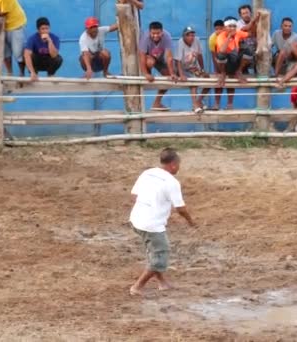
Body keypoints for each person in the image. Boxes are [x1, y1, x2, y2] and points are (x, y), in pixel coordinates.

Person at [129, 148, 196, 297]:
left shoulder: (147, 173)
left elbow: (134, 195)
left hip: (136, 219)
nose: (179, 167)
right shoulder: (172, 182)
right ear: (173, 164)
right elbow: (180, 209)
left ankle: (162, 282)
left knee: (154, 250)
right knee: (160, 256)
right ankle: (137, 286)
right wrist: (191, 222)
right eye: (178, 164)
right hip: (152, 225)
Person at [215, 15, 259, 109]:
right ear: (225, 28)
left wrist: (254, 21)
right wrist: (229, 37)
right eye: (229, 26)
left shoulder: (238, 33)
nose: (232, 28)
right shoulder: (221, 36)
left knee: (249, 50)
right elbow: (222, 50)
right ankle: (223, 73)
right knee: (221, 55)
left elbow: (251, 34)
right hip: (224, 65)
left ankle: (238, 71)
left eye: (234, 26)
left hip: (234, 63)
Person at [139, 21, 176, 111]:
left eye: (158, 33)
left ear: (162, 32)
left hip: (160, 59)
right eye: (153, 33)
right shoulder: (145, 37)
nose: (155, 35)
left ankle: (157, 102)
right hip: (149, 58)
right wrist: (146, 74)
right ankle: (147, 73)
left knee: (168, 77)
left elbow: (169, 56)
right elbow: (141, 56)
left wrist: (172, 73)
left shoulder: (167, 36)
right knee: (150, 62)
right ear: (149, 32)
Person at [175, 25, 211, 114]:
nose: (191, 37)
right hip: (183, 68)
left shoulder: (197, 40)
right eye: (188, 35)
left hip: (194, 68)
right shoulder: (180, 42)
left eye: (192, 35)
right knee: (193, 82)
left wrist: (202, 70)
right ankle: (195, 105)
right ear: (184, 36)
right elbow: (177, 61)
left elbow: (199, 56)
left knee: (209, 81)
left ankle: (198, 101)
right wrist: (181, 74)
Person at [24, 17, 63, 81]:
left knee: (58, 58)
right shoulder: (32, 38)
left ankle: (51, 74)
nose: (45, 31)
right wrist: (32, 72)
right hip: (37, 61)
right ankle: (34, 73)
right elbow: (26, 55)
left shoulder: (55, 38)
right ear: (38, 30)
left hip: (48, 61)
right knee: (28, 55)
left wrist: (50, 41)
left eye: (47, 28)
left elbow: (54, 55)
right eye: (42, 29)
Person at [0, 0, 26, 76]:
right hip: (1, 26)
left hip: (15, 25)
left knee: (18, 52)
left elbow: (2, 13)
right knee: (5, 52)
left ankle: (21, 73)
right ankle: (10, 73)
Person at [272, 17, 297, 88]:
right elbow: (270, 46)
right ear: (281, 26)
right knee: (282, 52)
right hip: (278, 59)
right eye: (285, 26)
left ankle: (281, 82)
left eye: (290, 26)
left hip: (290, 60)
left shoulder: (296, 37)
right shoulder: (276, 33)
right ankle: (275, 75)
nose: (287, 28)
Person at [208, 20, 225, 111]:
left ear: (224, 28)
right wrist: (217, 70)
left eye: (220, 29)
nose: (218, 31)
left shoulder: (228, 35)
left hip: (229, 61)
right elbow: (214, 55)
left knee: (231, 82)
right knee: (218, 81)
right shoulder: (212, 38)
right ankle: (217, 103)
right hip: (219, 61)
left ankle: (230, 104)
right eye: (216, 29)